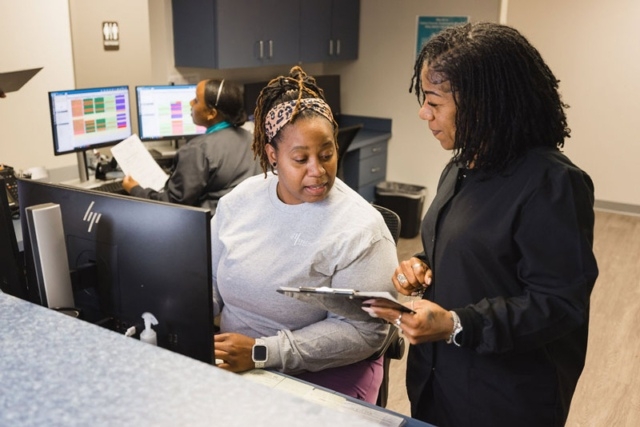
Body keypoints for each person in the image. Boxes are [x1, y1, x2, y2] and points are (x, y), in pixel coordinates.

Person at [363, 22, 599, 426]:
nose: (423, 113)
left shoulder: (552, 184)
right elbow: (475, 248)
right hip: (439, 380)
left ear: (482, 104)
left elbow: (559, 304)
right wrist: (420, 263)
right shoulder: (460, 167)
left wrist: (457, 324)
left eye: (434, 102)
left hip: (504, 398)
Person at [210, 66, 399, 404]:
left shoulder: (361, 229)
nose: (318, 170)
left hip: (322, 373)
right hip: (234, 362)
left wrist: (260, 352)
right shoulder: (236, 204)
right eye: (301, 159)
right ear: (272, 156)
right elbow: (209, 280)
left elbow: (364, 331)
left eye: (327, 154)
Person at [122, 79, 260, 213]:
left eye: (196, 100)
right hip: (247, 225)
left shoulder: (198, 150)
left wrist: (135, 189)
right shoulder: (252, 139)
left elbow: (172, 204)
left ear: (211, 113)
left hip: (212, 228)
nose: (190, 103)